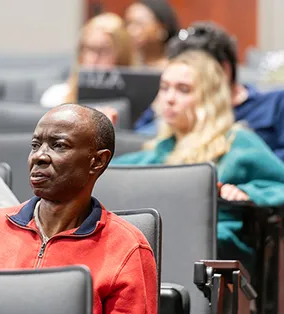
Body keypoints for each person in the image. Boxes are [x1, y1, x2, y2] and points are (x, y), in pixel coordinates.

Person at [0, 104, 157, 314]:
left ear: (98, 161)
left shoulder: (127, 247)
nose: (40, 157)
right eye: (35, 145)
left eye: (59, 146)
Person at [112, 50, 284, 275]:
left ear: (209, 97)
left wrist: (248, 192)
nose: (169, 98)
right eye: (165, 88)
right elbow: (115, 172)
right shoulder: (161, 148)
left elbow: (278, 184)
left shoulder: (236, 141)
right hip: (164, 240)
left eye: (183, 90)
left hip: (217, 247)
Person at [135, 22, 284, 160]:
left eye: (184, 88)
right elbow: (139, 137)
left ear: (223, 71)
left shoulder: (273, 105)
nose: (171, 97)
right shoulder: (174, 107)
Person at [41, 13, 135, 108]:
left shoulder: (138, 104)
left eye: (104, 50)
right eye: (89, 48)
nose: (94, 58)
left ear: (122, 55)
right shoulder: (55, 96)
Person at [125, 0, 179, 69]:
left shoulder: (175, 67)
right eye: (127, 24)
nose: (130, 30)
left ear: (161, 27)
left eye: (138, 23)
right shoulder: (125, 64)